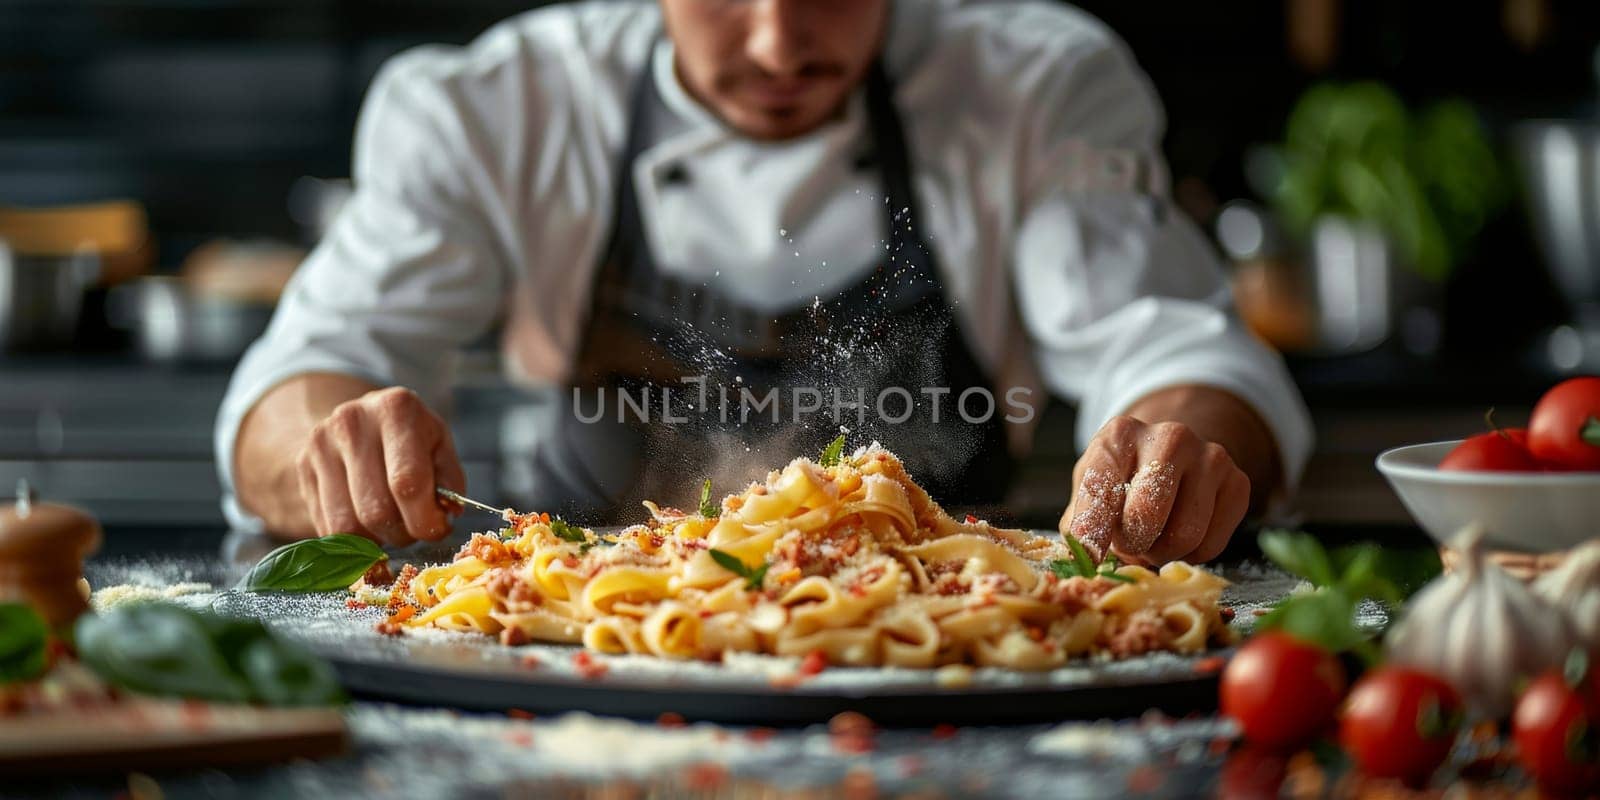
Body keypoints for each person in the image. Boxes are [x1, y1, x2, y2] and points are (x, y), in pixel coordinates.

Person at [217, 0, 1313, 566]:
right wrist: (333, 445)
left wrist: (1171, 454)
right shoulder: (487, 106)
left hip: (954, 681)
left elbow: (1182, 355)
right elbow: (307, 369)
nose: (779, 42)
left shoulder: (1038, 83)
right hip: (567, 674)